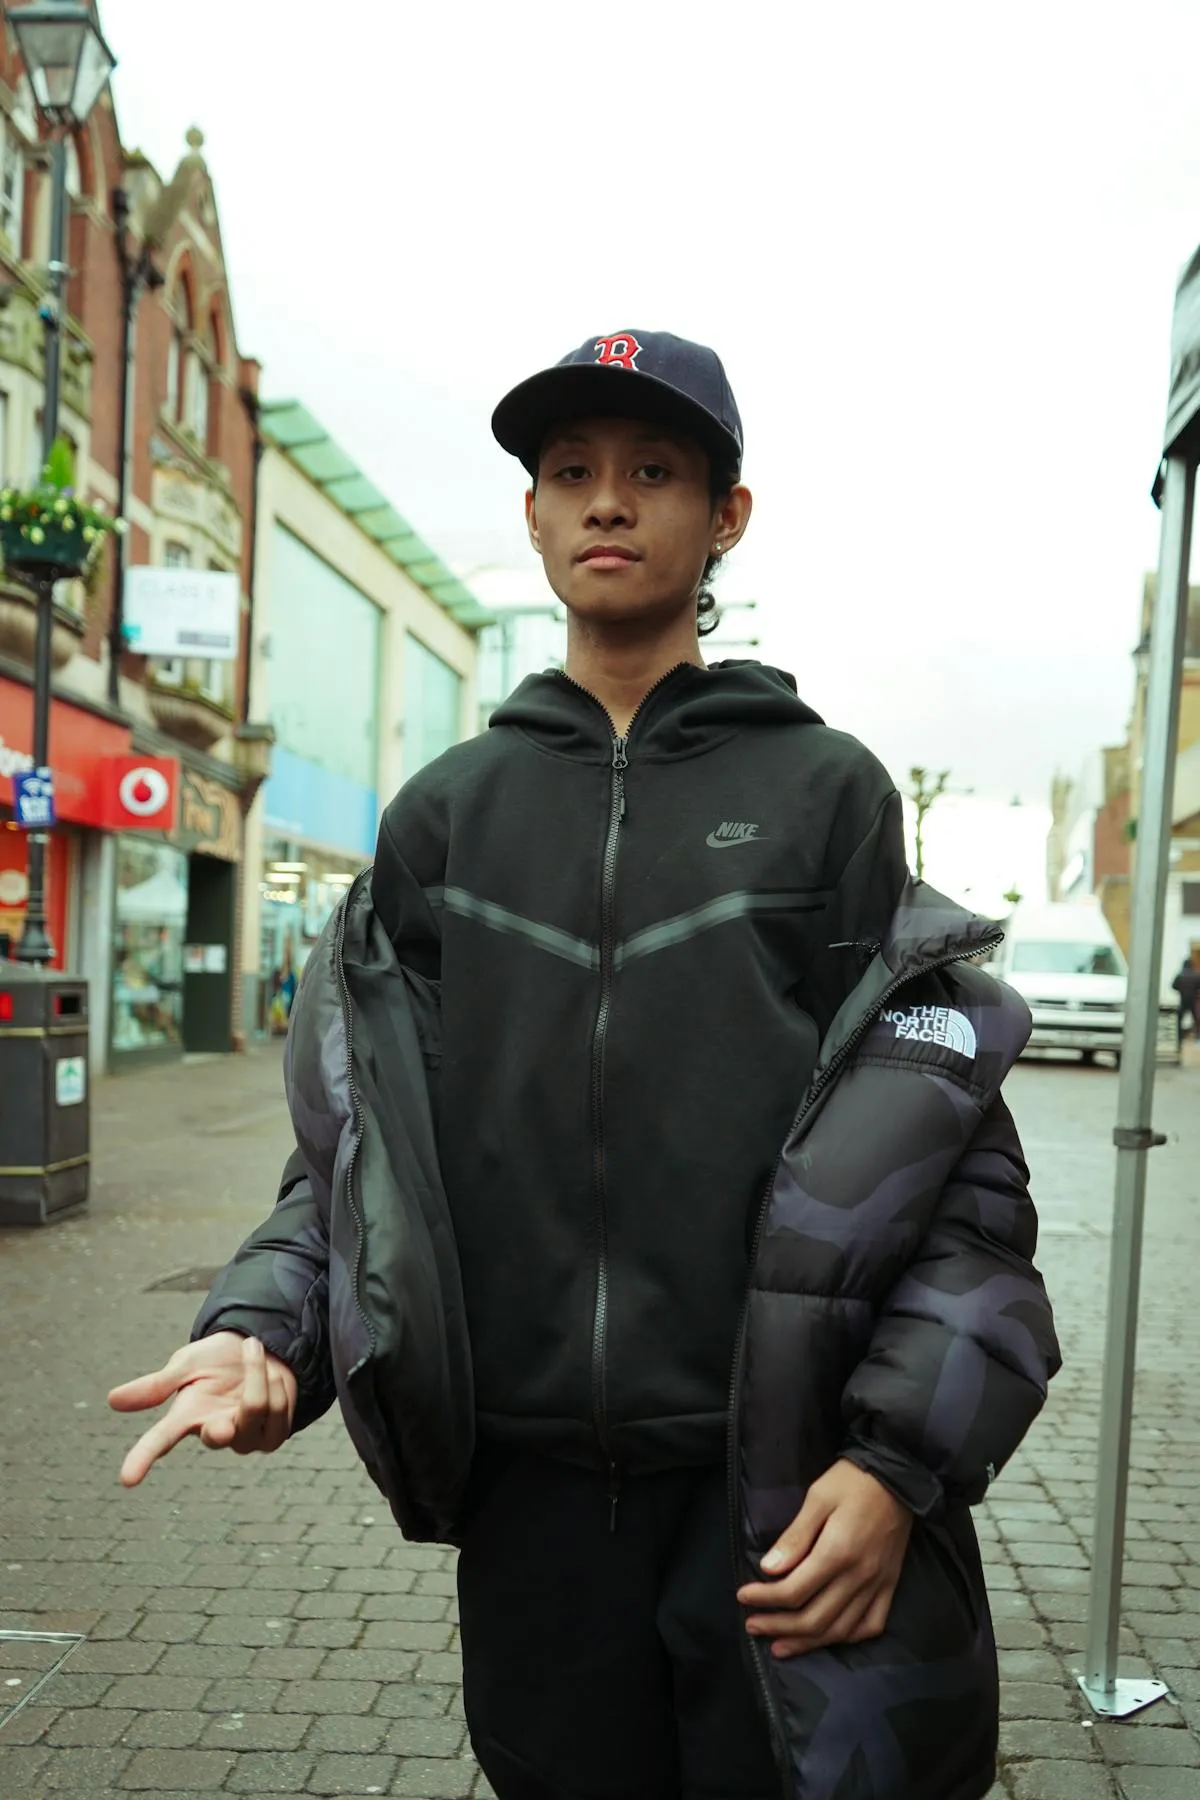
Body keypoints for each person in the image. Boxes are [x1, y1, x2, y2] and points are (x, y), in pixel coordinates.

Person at [109, 329, 1061, 1800]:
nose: (608, 501)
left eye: (654, 470)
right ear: (537, 514)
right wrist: (269, 1329)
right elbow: (367, 1158)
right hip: (533, 1507)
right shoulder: (447, 818)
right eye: (572, 472)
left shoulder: (825, 797)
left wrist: (894, 1470)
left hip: (777, 1499)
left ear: (726, 514)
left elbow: (958, 1177)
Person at [1173, 950, 1200, 1042]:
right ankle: (1198, 1037)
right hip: (1192, 1000)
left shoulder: (1180, 975)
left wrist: (1181, 990)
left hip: (1183, 1000)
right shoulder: (1196, 975)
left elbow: (1173, 986)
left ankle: (1179, 1037)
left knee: (1179, 1019)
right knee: (1197, 1020)